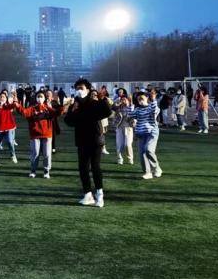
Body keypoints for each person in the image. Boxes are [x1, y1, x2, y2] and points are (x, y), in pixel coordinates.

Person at [63, 78, 113, 208]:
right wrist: (71, 109)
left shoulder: (94, 103)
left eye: (82, 88)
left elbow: (108, 112)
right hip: (81, 140)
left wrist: (102, 99)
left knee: (95, 166)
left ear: (88, 89)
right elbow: (68, 122)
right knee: (83, 168)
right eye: (77, 88)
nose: (79, 90)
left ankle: (100, 194)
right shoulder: (76, 104)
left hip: (95, 139)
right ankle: (87, 194)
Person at [16, 90, 60, 179]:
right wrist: (17, 105)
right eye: (38, 97)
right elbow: (24, 112)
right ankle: (33, 171)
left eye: (41, 97)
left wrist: (62, 106)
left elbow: (57, 112)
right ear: (36, 98)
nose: (40, 98)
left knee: (47, 154)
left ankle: (46, 171)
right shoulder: (32, 108)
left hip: (47, 134)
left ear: (44, 98)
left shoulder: (47, 108)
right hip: (35, 134)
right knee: (35, 153)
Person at [126, 89, 162, 180]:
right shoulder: (137, 109)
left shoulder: (151, 106)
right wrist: (130, 104)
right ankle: (148, 172)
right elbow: (130, 115)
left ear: (147, 97)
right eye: (138, 98)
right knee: (142, 154)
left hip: (151, 132)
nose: (140, 99)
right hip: (141, 133)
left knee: (148, 150)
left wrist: (153, 99)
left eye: (142, 97)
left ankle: (157, 168)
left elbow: (155, 111)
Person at [0, 90, 18, 165]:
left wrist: (15, 97)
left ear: (6, 98)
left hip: (9, 127)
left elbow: (14, 105)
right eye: (1, 97)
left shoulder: (8, 105)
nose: (2, 98)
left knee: (10, 141)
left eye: (4, 97)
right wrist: (0, 106)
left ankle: (13, 155)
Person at [111, 88, 134, 166]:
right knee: (119, 145)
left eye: (125, 99)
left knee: (127, 144)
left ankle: (130, 158)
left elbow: (131, 111)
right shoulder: (118, 107)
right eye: (122, 99)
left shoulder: (130, 107)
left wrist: (130, 102)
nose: (123, 101)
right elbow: (112, 108)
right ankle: (120, 159)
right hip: (119, 128)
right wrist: (118, 103)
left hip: (128, 128)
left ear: (128, 100)